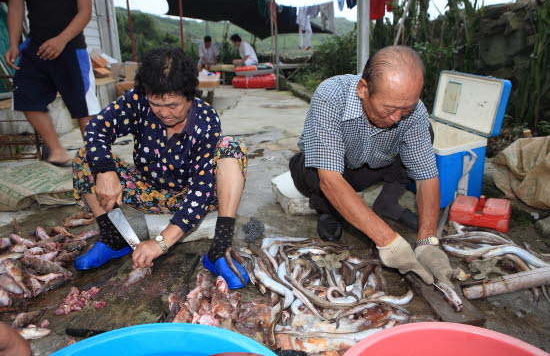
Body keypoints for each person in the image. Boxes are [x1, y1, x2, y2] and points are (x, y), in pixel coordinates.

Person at [72, 46, 249, 289]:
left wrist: (160, 243)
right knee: (86, 157)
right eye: (156, 104)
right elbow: (96, 128)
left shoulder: (206, 119)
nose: (164, 113)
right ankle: (113, 237)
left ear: (189, 95)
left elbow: (201, 190)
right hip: (148, 191)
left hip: (194, 195)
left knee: (232, 148)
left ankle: (219, 250)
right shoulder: (138, 101)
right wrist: (105, 171)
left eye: (173, 105)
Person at [289, 45, 453, 286]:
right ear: (363, 89)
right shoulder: (331, 95)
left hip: (374, 166)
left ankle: (387, 202)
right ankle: (329, 212)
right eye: (390, 109)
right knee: (316, 174)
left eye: (405, 109)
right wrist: (388, 240)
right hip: (330, 170)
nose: (397, 118)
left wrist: (427, 240)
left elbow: (426, 174)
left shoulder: (413, 112)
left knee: (424, 132)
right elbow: (330, 179)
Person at [5, 0, 100, 167]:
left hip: (71, 46)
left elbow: (85, 11)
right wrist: (13, 43)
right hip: (35, 47)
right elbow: (15, 7)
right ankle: (57, 150)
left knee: (85, 107)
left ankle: (96, 159)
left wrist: (61, 39)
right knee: (25, 96)